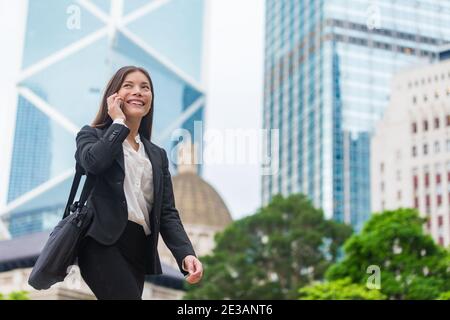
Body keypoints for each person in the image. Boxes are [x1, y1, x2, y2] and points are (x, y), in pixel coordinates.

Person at [74, 65, 203, 300]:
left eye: (145, 88)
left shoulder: (157, 155)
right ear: (113, 96)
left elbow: (167, 212)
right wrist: (118, 124)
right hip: (101, 242)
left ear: (151, 100)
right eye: (128, 86)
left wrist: (185, 253)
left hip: (138, 250)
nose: (138, 92)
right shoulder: (91, 135)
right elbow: (94, 163)